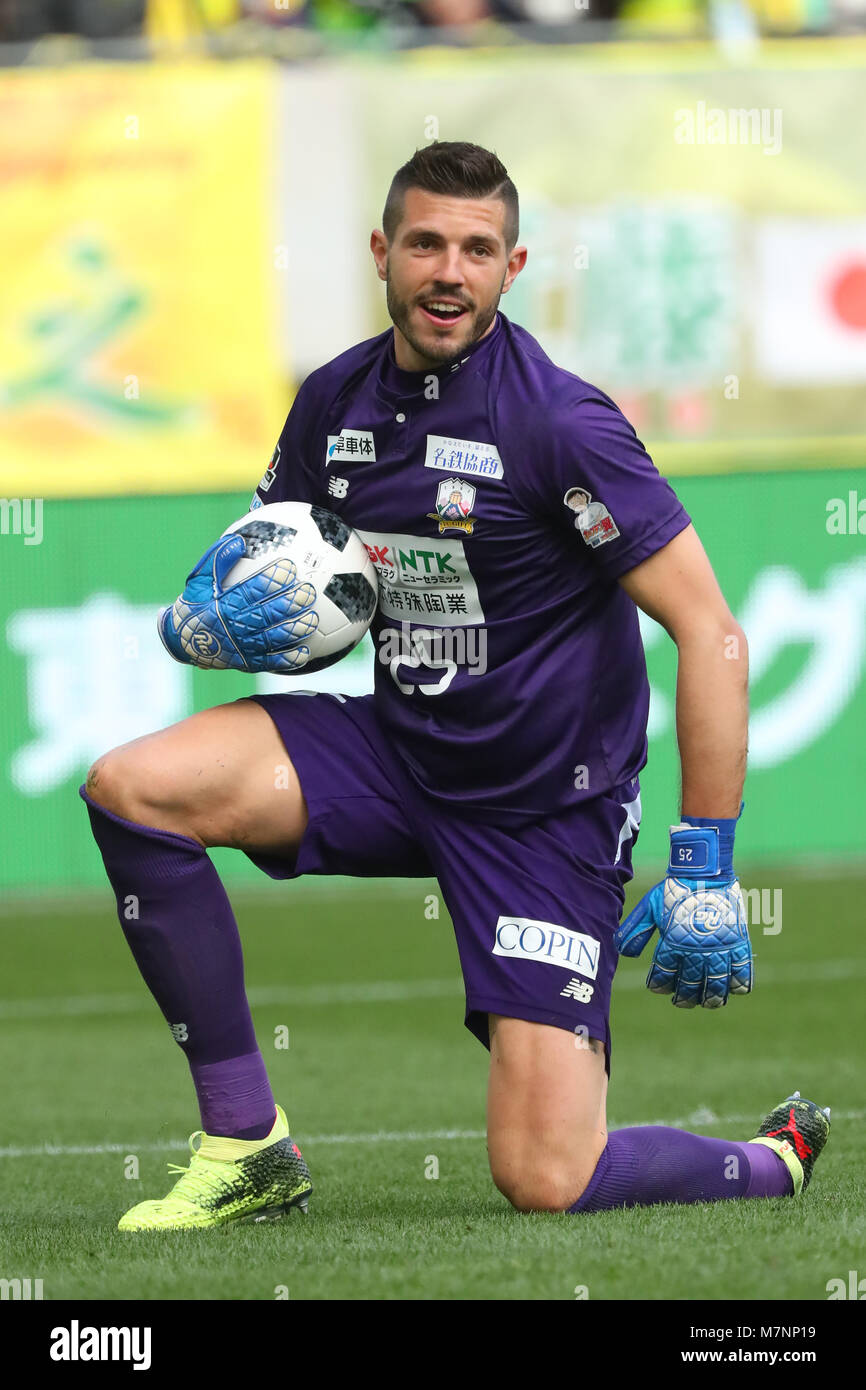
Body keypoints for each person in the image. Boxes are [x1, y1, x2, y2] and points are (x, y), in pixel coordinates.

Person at [82, 140, 829, 1230]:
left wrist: (704, 856)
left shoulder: (558, 424)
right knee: (130, 787)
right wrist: (216, 622)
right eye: (425, 242)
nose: (448, 270)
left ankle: (771, 1158)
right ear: (381, 251)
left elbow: (709, 631)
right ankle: (248, 1144)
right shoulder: (329, 402)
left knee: (546, 1180)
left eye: (476, 250)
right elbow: (310, 592)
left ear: (511, 267)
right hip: (394, 751)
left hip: (543, 810)